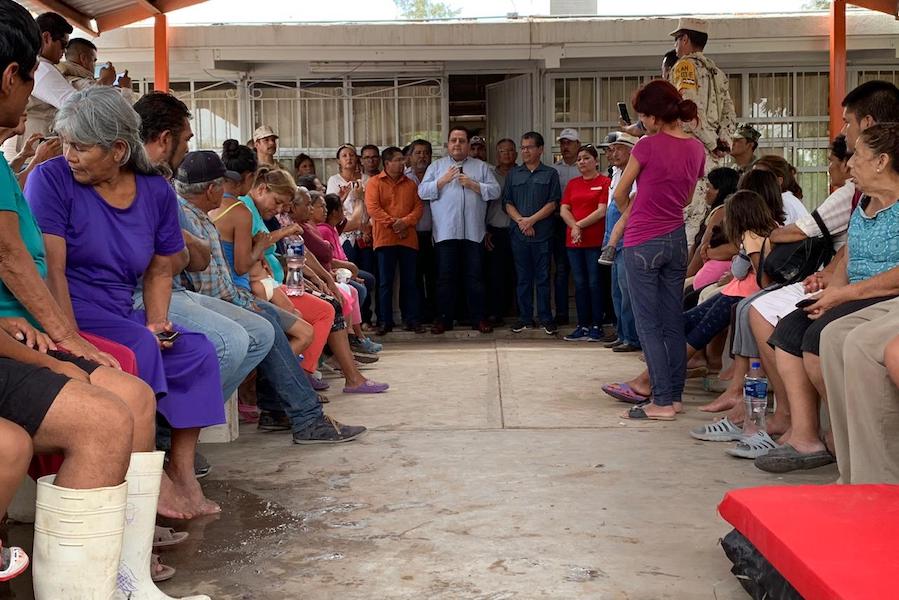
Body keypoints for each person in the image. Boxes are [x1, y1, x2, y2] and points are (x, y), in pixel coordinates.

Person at [25, 86, 225, 516]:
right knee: (138, 348)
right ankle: (144, 490)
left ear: (118, 149)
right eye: (65, 143)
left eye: (80, 146)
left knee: (196, 352)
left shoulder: (154, 189)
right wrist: (69, 337)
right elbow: (51, 269)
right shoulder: (52, 179)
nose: (68, 154)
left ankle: (182, 472)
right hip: (68, 307)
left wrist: (156, 321)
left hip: (119, 309)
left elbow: (159, 268)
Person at [177, 150, 371, 442]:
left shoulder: (204, 217)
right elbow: (225, 275)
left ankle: (284, 410)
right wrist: (265, 247)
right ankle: (301, 416)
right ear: (212, 189)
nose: (228, 190)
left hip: (233, 297)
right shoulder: (209, 217)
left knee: (281, 325)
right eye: (223, 185)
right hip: (223, 302)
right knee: (276, 328)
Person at [756, 122, 899, 475]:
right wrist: (829, 290)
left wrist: (842, 295)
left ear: (881, 161)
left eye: (858, 157)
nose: (850, 165)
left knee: (844, 339)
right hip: (860, 293)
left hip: (882, 294)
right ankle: (845, 463)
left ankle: (871, 471)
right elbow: (850, 257)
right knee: (805, 329)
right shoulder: (864, 203)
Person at [133, 95, 276, 415]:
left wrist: (181, 245)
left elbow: (187, 258)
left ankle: (181, 420)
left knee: (262, 331)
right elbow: (165, 261)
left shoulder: (162, 184)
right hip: (144, 292)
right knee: (235, 340)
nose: (187, 149)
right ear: (165, 139)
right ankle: (172, 425)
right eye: (186, 139)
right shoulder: (139, 182)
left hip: (173, 287)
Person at [605, 190, 776, 418]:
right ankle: (658, 381)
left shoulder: (750, 239)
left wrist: (739, 259)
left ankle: (650, 381)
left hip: (740, 295)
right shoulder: (769, 230)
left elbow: (751, 273)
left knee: (698, 330)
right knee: (686, 320)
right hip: (733, 291)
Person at [605, 79, 705, 421]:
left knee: (648, 325)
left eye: (644, 116)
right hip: (677, 239)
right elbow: (689, 198)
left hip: (643, 240)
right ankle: (673, 397)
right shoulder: (696, 149)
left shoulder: (647, 146)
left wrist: (634, 210)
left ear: (655, 115)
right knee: (672, 322)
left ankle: (660, 401)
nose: (642, 122)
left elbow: (620, 193)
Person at [418, 127, 501, 334]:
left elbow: (495, 191)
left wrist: (474, 185)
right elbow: (422, 192)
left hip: (474, 233)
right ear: (447, 144)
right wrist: (442, 181)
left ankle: (478, 318)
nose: (457, 144)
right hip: (445, 233)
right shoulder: (437, 167)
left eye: (461, 141)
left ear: (467, 145)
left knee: (475, 277)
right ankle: (444, 320)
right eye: (453, 140)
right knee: (445, 278)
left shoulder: (481, 167)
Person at [667, 17, 738, 245]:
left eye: (677, 39)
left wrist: (711, 142)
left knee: (684, 218)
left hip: (690, 151)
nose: (676, 45)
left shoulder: (684, 66)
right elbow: (730, 112)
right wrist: (723, 143)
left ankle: (681, 275)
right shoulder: (716, 71)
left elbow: (688, 111)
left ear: (685, 39)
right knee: (700, 219)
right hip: (713, 158)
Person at [503, 131, 564, 335]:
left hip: (543, 235)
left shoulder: (550, 174)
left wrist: (531, 220)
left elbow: (553, 203)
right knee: (523, 278)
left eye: (529, 147)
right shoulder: (513, 174)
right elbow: (507, 203)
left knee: (543, 277)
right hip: (519, 235)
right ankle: (525, 317)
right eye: (523, 147)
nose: (525, 151)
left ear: (540, 149)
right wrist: (520, 221)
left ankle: (546, 317)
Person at [365, 146, 424, 335]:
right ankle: (385, 321)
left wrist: (404, 223)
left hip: (408, 238)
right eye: (398, 160)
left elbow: (418, 208)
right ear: (387, 162)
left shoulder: (411, 184)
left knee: (410, 281)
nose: (402, 163)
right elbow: (373, 208)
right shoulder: (375, 183)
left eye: (402, 160)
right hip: (384, 239)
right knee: (385, 282)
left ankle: (412, 319)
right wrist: (394, 224)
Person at [560, 144, 610, 341]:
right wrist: (575, 227)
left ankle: (597, 325)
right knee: (579, 284)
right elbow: (564, 209)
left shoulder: (604, 182)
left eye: (586, 158)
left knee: (594, 283)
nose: (582, 162)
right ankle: (582, 325)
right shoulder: (573, 184)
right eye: (579, 158)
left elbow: (601, 211)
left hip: (594, 241)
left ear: (596, 161)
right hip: (574, 241)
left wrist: (578, 226)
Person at [598, 132, 641, 352]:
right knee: (615, 289)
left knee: (627, 290)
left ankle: (632, 337)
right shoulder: (615, 173)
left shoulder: (635, 175)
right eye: (608, 150)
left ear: (630, 149)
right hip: (612, 235)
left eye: (616, 148)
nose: (611, 153)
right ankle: (622, 332)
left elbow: (629, 208)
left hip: (627, 237)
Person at [328, 143, 376, 326]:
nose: (348, 158)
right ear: (339, 161)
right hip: (345, 234)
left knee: (367, 274)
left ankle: (366, 316)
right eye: (344, 155)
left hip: (366, 232)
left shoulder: (368, 179)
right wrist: (354, 199)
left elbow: (372, 207)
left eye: (351, 155)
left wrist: (367, 226)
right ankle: (352, 320)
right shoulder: (334, 180)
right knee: (350, 273)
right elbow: (334, 210)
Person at [22, 12, 73, 143]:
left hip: (28, 151)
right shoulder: (42, 69)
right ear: (46, 38)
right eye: (63, 44)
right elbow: (76, 104)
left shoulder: (33, 64)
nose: (64, 52)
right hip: (31, 154)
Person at [485, 137, 517, 326]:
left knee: (519, 274)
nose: (507, 154)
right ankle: (496, 313)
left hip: (518, 230)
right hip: (495, 231)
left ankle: (520, 313)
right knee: (495, 275)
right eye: (502, 151)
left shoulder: (522, 173)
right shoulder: (489, 175)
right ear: (497, 154)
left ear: (516, 153)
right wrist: (484, 230)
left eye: (510, 151)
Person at [405, 139, 437, 324]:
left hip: (433, 233)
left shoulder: (437, 174)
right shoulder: (404, 177)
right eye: (418, 152)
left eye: (426, 152)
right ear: (410, 156)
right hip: (411, 234)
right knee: (413, 278)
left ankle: (433, 314)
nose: (422, 156)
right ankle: (415, 316)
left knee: (434, 276)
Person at [552, 128, 581, 325]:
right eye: (563, 143)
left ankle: (585, 315)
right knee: (561, 270)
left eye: (569, 143)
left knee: (583, 272)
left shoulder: (585, 166)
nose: (565, 147)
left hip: (585, 223)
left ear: (578, 144)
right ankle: (561, 313)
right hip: (559, 223)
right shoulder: (555, 170)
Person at [58, 37, 131, 98]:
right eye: (94, 60)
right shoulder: (75, 82)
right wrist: (125, 88)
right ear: (83, 58)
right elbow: (122, 110)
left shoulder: (60, 77)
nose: (94, 65)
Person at [752, 155, 809, 224]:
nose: (753, 181)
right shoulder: (785, 199)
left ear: (779, 181)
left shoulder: (784, 203)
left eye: (760, 177)